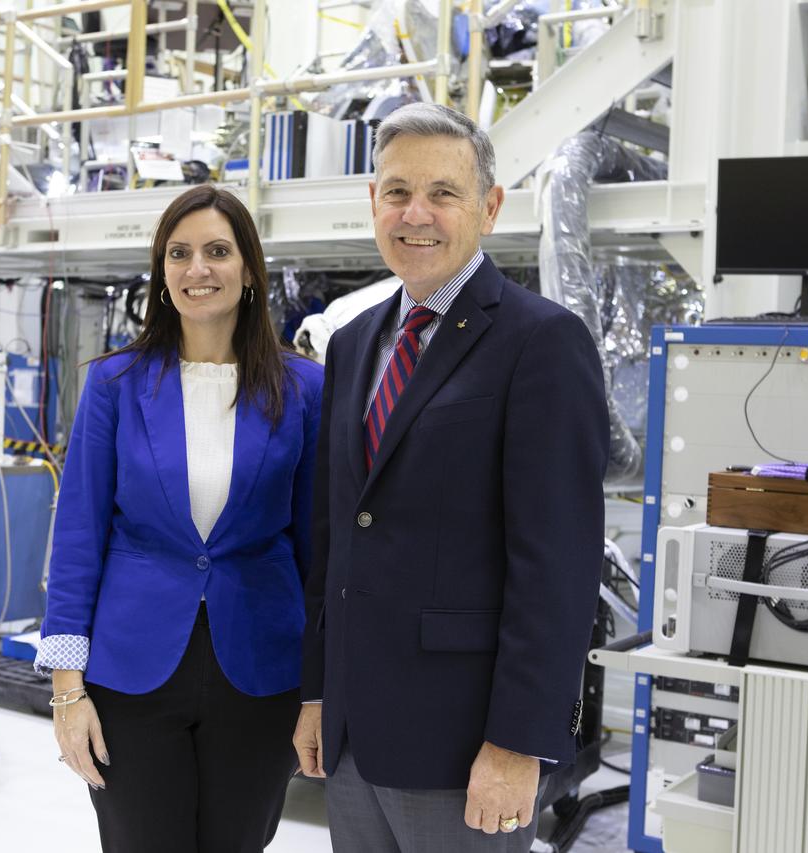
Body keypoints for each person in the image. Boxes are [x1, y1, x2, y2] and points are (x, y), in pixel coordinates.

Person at [293, 103, 609, 852]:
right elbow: (335, 535)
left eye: (444, 192)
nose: (417, 214)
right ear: (373, 202)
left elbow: (558, 569)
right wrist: (317, 691)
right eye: (397, 191)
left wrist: (518, 743)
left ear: (490, 207)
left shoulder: (542, 342)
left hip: (466, 746)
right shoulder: (355, 343)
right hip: (353, 734)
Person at [37, 184, 323, 852]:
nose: (199, 268)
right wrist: (65, 692)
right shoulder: (114, 385)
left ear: (249, 269)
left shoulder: (304, 388)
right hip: (130, 673)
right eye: (180, 253)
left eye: (218, 251)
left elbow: (319, 548)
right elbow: (79, 538)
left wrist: (320, 687)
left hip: (261, 671)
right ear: (162, 272)